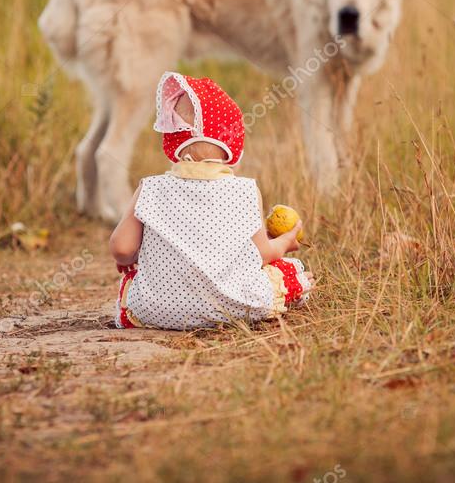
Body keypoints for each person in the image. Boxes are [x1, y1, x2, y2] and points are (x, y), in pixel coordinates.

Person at [108, 71, 313, 329]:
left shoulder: (150, 187)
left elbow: (122, 249)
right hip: (234, 308)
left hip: (157, 310)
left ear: (173, 143)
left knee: (136, 282)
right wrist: (284, 242)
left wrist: (136, 257)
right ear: (233, 148)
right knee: (288, 270)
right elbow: (261, 254)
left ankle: (154, 307)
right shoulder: (245, 191)